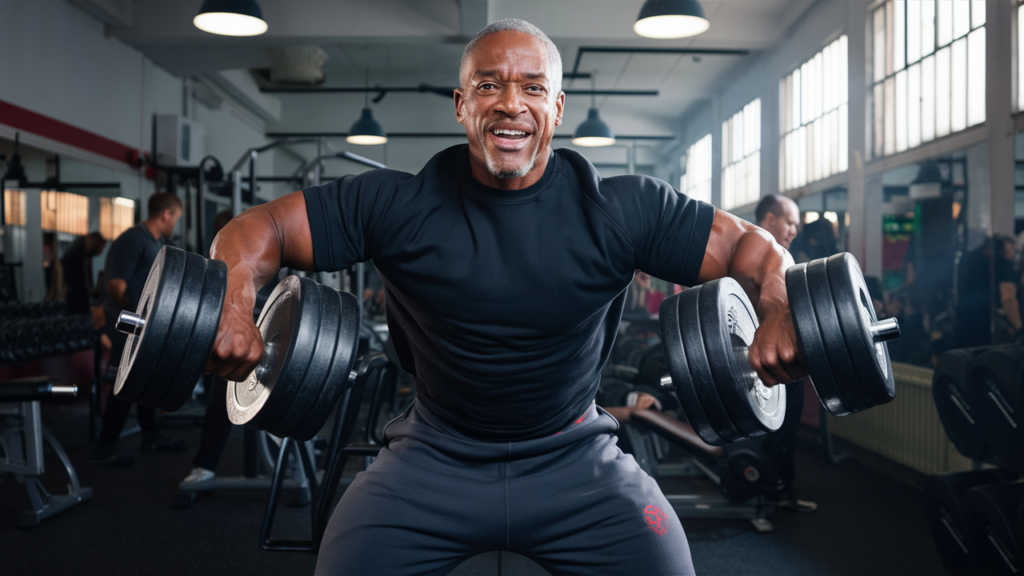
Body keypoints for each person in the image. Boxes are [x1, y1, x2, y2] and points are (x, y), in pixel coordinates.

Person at [206, 20, 805, 575]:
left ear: (557, 107)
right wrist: (235, 306)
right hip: (433, 457)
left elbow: (750, 250)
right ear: (463, 106)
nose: (511, 104)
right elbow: (260, 230)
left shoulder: (621, 210)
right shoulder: (396, 207)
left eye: (533, 88)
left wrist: (778, 309)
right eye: (488, 85)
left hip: (576, 458)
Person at [90, 193, 188, 465]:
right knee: (127, 384)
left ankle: (150, 437)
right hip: (126, 325)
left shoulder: (155, 242)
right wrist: (138, 315)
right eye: (176, 218)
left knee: (147, 378)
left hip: (143, 324)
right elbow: (115, 284)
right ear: (166, 215)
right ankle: (105, 447)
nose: (175, 225)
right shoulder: (132, 240)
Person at [754, 194, 817, 513]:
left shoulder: (783, 258)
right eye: (790, 222)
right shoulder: (757, 258)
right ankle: (770, 492)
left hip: (789, 360)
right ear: (770, 220)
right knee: (774, 429)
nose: (794, 229)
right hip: (768, 363)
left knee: (787, 428)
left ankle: (782, 492)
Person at [60, 231, 106, 315]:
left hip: (77, 295)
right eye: (101, 247)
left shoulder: (84, 251)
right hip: (75, 296)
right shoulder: (78, 250)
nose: (101, 251)